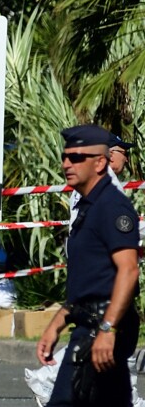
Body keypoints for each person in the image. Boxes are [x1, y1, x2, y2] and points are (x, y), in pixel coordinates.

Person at [35, 124, 140, 406]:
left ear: (100, 163)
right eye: (66, 156)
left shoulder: (111, 206)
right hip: (88, 324)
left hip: (103, 328)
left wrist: (108, 330)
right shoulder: (87, 205)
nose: (68, 164)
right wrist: (56, 325)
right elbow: (89, 280)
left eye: (78, 157)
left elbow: (129, 271)